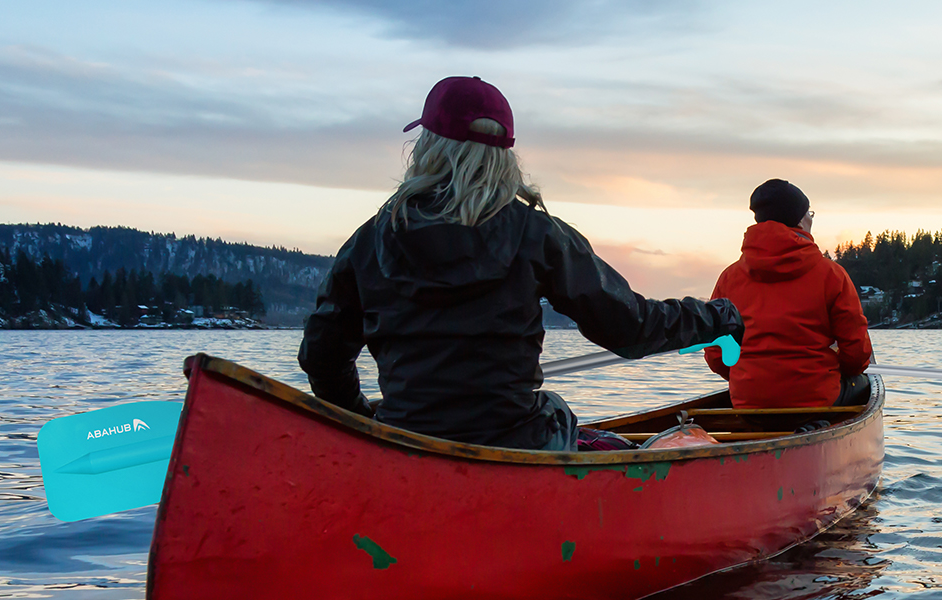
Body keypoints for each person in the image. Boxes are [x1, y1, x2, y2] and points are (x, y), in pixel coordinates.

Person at [298, 76, 742, 451]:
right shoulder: (537, 234)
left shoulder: (369, 240)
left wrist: (365, 429)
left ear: (428, 147)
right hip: (517, 440)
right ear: (504, 155)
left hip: (407, 440)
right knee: (563, 417)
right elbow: (632, 328)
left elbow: (322, 357)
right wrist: (719, 317)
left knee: (556, 415)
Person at [703, 179, 874, 427]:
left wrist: (747, 378)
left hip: (749, 402)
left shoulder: (729, 278)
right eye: (809, 213)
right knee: (867, 384)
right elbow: (857, 354)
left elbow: (715, 354)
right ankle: (818, 432)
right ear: (800, 219)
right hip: (815, 400)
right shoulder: (831, 274)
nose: (811, 219)